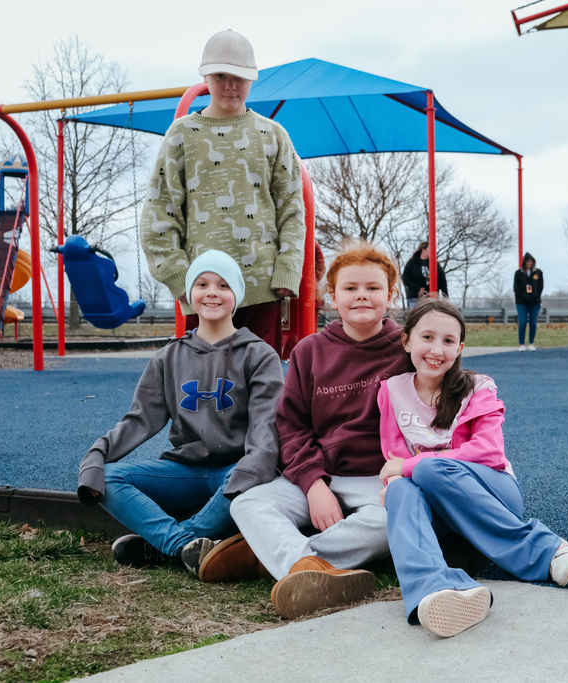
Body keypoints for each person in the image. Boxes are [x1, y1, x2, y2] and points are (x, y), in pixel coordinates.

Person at [216, 242, 409, 619]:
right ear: (332, 297)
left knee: (394, 521)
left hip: (378, 477)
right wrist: (314, 485)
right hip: (321, 472)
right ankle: (310, 569)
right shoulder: (310, 350)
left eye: (373, 288)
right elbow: (291, 425)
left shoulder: (406, 350)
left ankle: (275, 557)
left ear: (390, 295)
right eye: (350, 288)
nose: (362, 296)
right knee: (248, 503)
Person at [378, 298, 568, 637]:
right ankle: (434, 588)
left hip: (492, 491)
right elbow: (393, 461)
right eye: (427, 337)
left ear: (459, 348)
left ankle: (544, 548)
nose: (436, 349)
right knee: (399, 487)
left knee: (426, 470)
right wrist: (402, 475)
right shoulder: (391, 391)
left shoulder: (478, 386)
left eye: (448, 341)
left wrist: (415, 463)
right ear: (407, 340)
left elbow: (488, 450)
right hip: (438, 506)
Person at [77, 250, 283, 577]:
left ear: (237, 296)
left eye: (223, 285)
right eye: (202, 283)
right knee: (111, 477)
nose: (212, 292)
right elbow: (139, 419)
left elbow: (264, 431)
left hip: (235, 470)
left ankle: (164, 544)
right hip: (184, 470)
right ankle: (183, 545)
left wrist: (252, 469)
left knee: (253, 480)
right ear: (190, 294)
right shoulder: (168, 357)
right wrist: (97, 455)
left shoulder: (259, 355)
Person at [139, 29, 306, 353]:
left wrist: (288, 268)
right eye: (221, 76)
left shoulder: (272, 135)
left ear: (252, 79)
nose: (230, 85)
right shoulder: (182, 135)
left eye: (239, 77)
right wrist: (179, 276)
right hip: (204, 290)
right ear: (206, 75)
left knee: (260, 382)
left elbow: (292, 206)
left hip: (261, 284)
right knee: (203, 382)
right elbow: (160, 209)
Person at [402, 241, 448, 310]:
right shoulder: (412, 263)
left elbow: (442, 280)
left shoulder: (436, 265)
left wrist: (445, 298)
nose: (434, 251)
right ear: (423, 250)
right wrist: (418, 289)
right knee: (418, 318)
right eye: (431, 249)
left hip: (431, 299)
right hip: (415, 298)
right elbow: (406, 278)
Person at [513, 252, 543, 351]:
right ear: (525, 262)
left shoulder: (538, 273)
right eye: (527, 261)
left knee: (533, 323)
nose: (529, 263)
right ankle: (521, 344)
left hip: (534, 303)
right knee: (522, 322)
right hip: (522, 303)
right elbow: (516, 288)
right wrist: (523, 297)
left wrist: (535, 297)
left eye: (531, 261)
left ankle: (531, 343)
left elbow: (540, 287)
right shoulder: (518, 273)